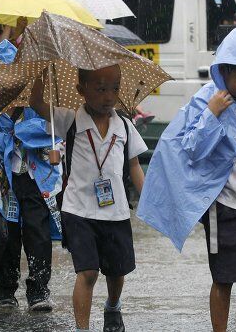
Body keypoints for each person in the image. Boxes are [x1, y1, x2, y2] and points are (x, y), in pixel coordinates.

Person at [137, 26, 236, 332]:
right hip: (226, 206)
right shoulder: (209, 99)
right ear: (225, 71)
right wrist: (211, 114)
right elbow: (192, 148)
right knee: (224, 276)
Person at [29, 65, 147, 332]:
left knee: (116, 272)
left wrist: (149, 200)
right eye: (100, 88)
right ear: (81, 90)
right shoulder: (70, 120)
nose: (109, 96)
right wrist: (42, 68)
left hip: (116, 211)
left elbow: (134, 166)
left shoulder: (125, 126)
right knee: (88, 272)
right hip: (78, 210)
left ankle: (113, 307)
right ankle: (83, 328)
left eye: (115, 88)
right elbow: (36, 102)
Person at [0, 39, 63, 311]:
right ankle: (5, 291)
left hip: (32, 174)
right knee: (4, 233)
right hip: (1, 177)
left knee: (37, 232)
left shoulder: (36, 93)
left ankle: (39, 291)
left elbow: (49, 125)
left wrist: (20, 132)